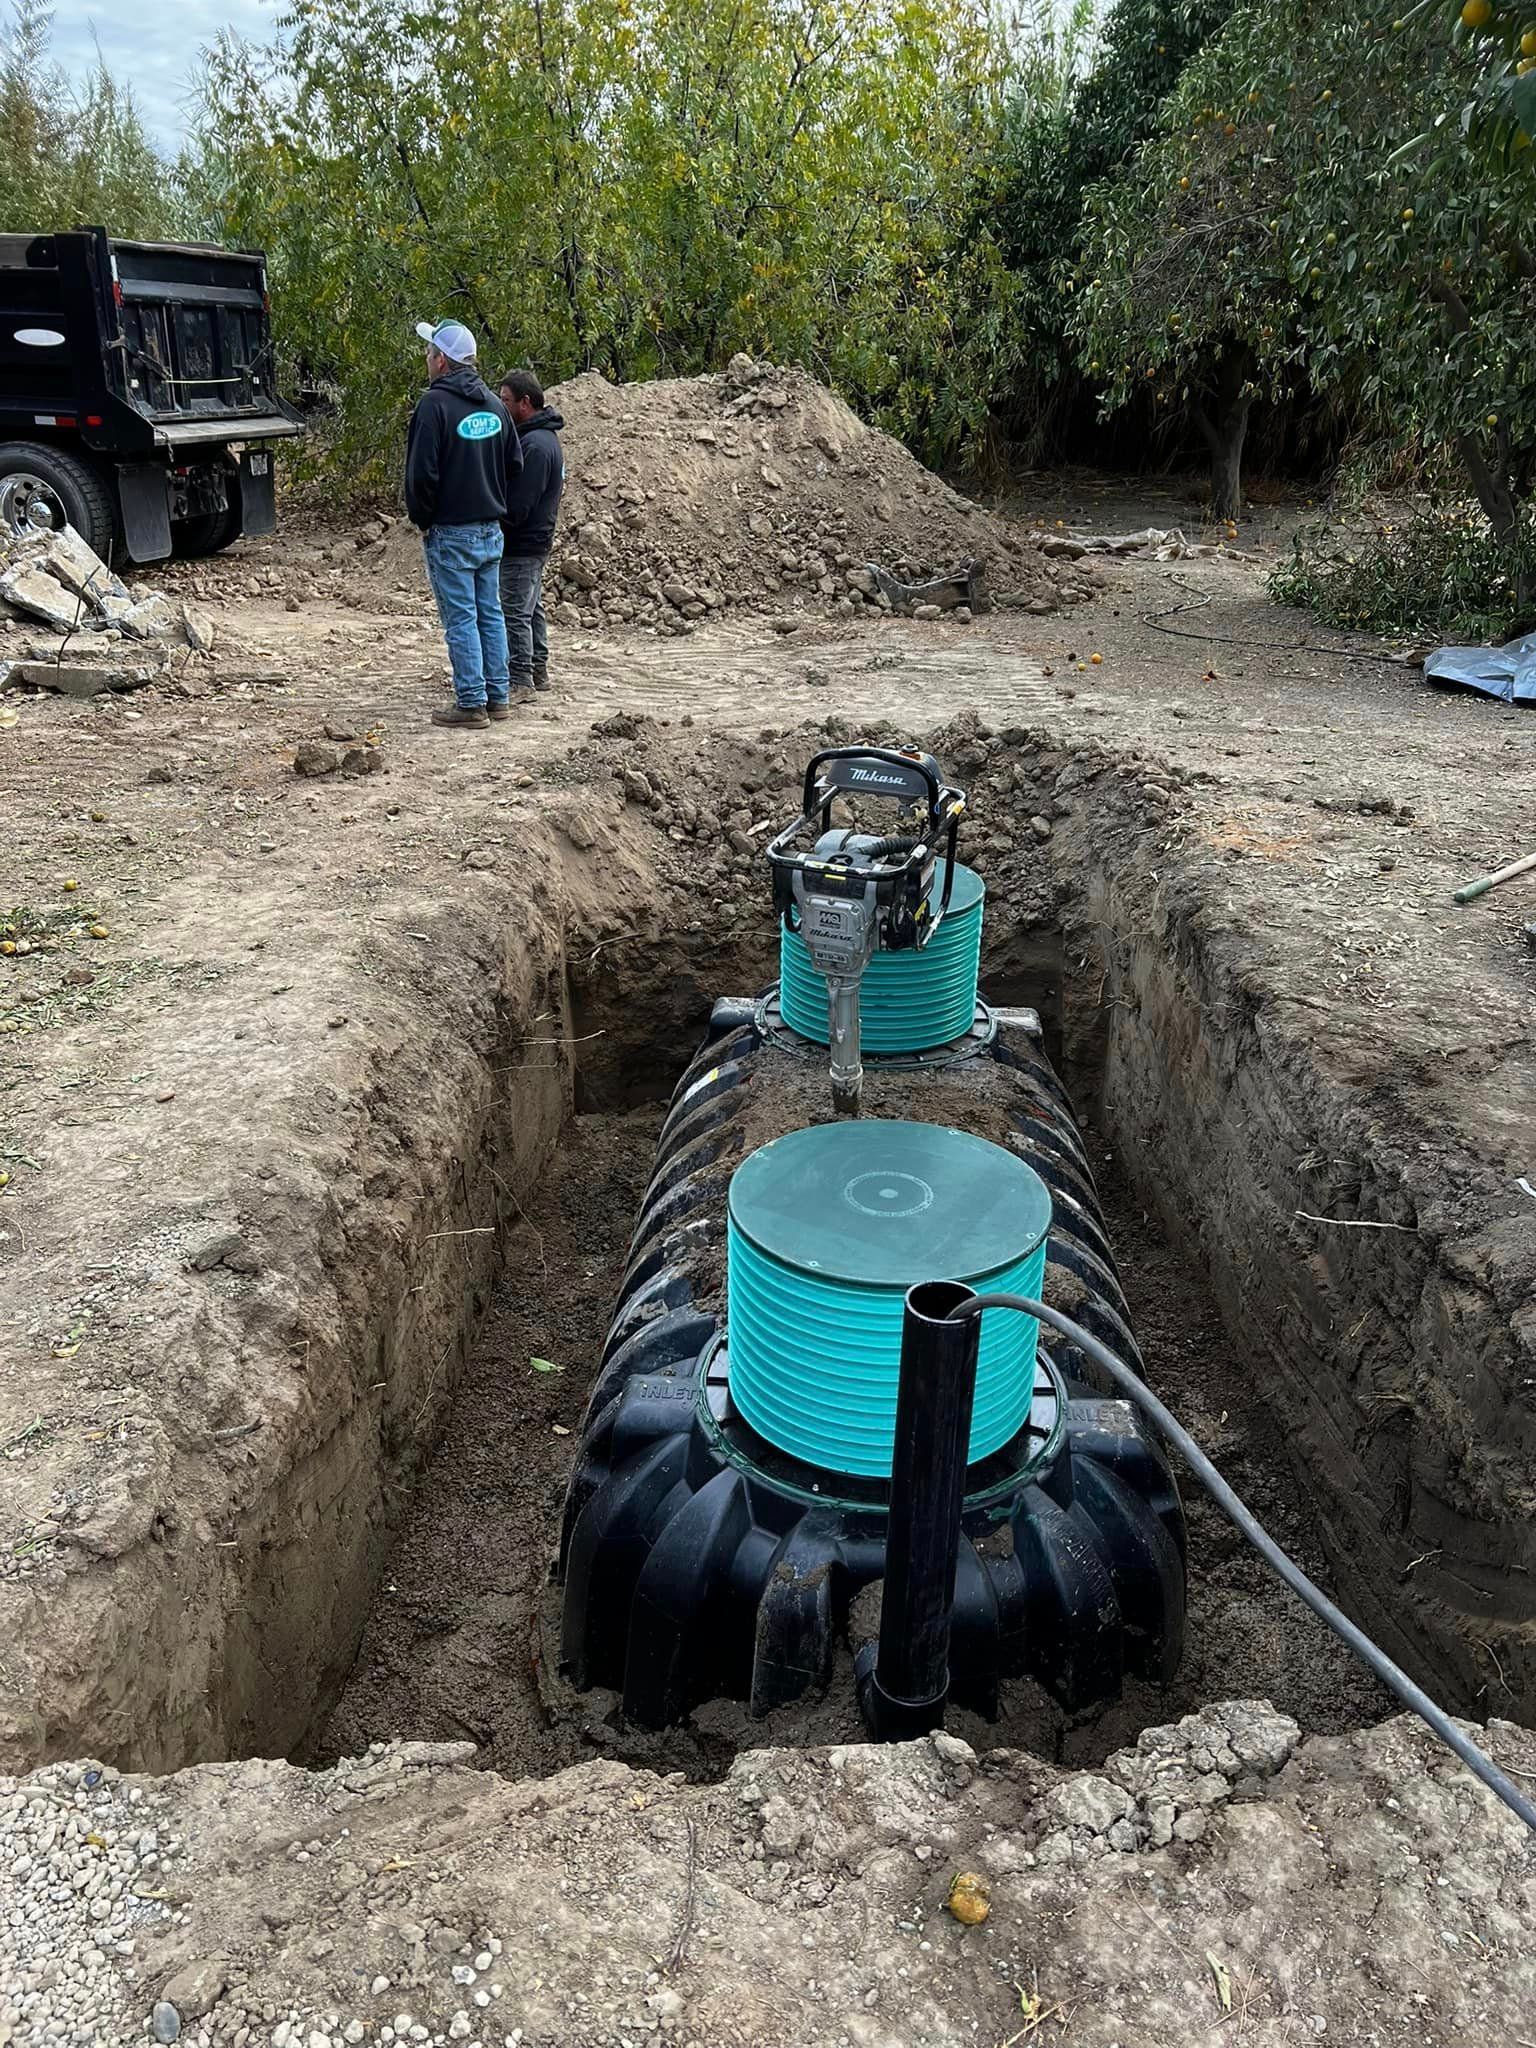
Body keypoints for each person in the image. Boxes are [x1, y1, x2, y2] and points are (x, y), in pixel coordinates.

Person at [405, 320, 522, 729]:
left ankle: (471, 702)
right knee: (490, 613)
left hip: (450, 531)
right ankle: (498, 696)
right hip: (490, 529)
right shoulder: (494, 404)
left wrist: (423, 517)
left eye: (429, 352)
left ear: (442, 360)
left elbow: (422, 475)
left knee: (462, 619)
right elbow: (514, 463)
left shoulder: (433, 407)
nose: (426, 358)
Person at [496, 370, 565, 696]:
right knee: (530, 608)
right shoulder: (541, 438)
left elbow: (518, 505)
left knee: (514, 612)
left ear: (525, 402)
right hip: (534, 541)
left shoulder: (535, 445)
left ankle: (520, 679)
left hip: (523, 543)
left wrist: (494, 522)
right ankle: (538, 672)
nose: (501, 405)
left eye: (506, 400)